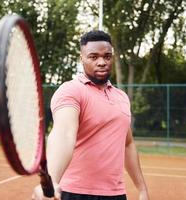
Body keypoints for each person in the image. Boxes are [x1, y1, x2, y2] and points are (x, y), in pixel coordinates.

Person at [32, 30, 149, 200]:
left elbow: (127, 144)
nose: (101, 62)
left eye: (107, 56)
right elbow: (64, 134)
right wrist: (53, 180)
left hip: (116, 194)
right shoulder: (71, 90)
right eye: (93, 57)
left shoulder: (122, 97)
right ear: (82, 59)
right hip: (75, 193)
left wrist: (142, 189)